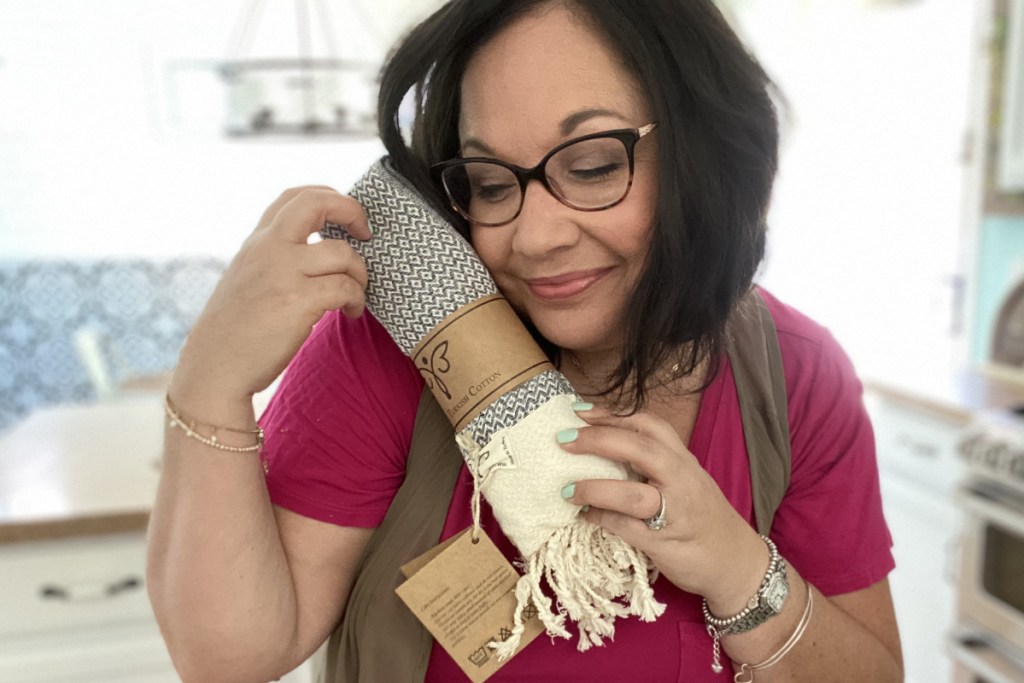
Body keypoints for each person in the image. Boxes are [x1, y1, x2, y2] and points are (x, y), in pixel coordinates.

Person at [146, 1, 904, 681]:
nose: (533, 237)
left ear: (704, 157)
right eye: (491, 183)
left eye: (593, 164)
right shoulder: (393, 352)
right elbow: (226, 659)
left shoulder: (795, 375)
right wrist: (210, 380)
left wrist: (738, 566)